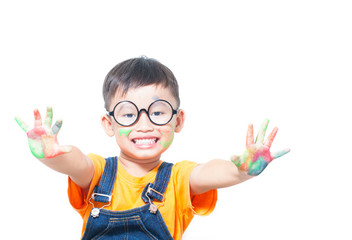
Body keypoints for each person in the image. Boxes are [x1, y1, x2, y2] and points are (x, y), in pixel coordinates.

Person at [15, 56, 290, 239]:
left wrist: (241, 170)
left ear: (177, 120)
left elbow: (210, 172)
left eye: (158, 112)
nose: (144, 124)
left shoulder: (178, 179)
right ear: (109, 124)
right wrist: (50, 155)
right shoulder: (98, 172)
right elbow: (76, 162)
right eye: (127, 113)